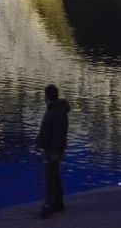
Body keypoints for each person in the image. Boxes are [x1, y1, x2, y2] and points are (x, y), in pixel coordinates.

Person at [35, 84, 70, 219]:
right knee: (54, 175)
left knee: (49, 177)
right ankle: (58, 203)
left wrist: (54, 151)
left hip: (52, 149)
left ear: (47, 96)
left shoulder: (55, 112)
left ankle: (49, 206)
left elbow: (57, 134)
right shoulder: (56, 110)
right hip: (52, 148)